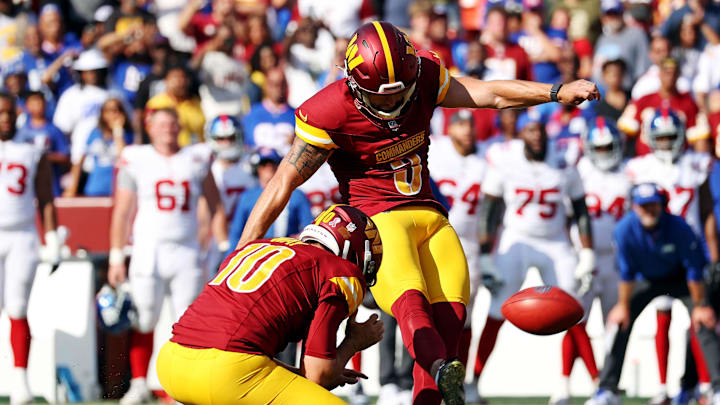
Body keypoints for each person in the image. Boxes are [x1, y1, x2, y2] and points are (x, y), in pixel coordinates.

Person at [234, 19, 600, 405]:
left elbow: (490, 94)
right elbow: (282, 183)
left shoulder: (424, 74)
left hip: (430, 214)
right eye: (382, 98)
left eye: (399, 94)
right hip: (378, 221)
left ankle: (434, 387)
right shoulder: (329, 110)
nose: (393, 104)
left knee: (452, 318)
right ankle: (440, 369)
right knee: (413, 302)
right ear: (355, 86)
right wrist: (245, 246)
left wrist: (556, 91)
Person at [156, 204, 384, 405]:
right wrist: (353, 343)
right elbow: (317, 376)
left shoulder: (258, 247)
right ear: (355, 253)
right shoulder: (339, 272)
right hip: (227, 374)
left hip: (171, 361)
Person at [469, 111, 595, 403]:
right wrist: (487, 255)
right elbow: (490, 210)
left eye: (540, 130)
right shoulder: (504, 158)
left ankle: (596, 383)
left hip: (556, 241)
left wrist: (586, 251)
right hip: (517, 239)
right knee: (497, 310)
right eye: (530, 131)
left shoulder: (564, 160)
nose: (537, 136)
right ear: (520, 133)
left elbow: (580, 209)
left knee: (574, 310)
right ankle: (475, 381)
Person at [108, 108, 228, 405]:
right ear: (149, 128)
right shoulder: (137, 158)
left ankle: (180, 388)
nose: (169, 130)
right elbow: (122, 211)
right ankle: (138, 383)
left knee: (187, 321)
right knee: (144, 318)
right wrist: (115, 255)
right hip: (148, 248)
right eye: (162, 124)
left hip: (186, 250)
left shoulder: (196, 157)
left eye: (174, 124)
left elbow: (215, 205)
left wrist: (222, 247)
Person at [586, 183, 720, 405]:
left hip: (681, 279)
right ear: (635, 207)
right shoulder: (624, 230)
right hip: (644, 280)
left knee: (704, 321)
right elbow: (626, 273)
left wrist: (700, 305)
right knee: (620, 321)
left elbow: (694, 269)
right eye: (643, 206)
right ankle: (607, 389)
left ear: (662, 206)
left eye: (653, 205)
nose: (649, 210)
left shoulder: (679, 227)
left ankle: (716, 388)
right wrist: (622, 305)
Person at [624, 108, 713, 404]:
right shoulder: (640, 167)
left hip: (690, 251)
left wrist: (712, 251)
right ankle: (662, 386)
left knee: (698, 319)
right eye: (659, 138)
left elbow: (706, 210)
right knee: (663, 317)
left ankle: (702, 384)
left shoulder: (696, 164)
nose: (664, 143)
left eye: (669, 137)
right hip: (657, 250)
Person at [550, 118, 632, 405]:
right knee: (574, 321)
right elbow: (565, 216)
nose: (605, 152)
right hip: (584, 257)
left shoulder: (628, 174)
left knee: (615, 327)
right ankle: (565, 384)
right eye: (599, 147)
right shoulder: (579, 172)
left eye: (609, 146)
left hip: (616, 260)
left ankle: (608, 384)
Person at [0, 92, 61, 405]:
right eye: (1, 113)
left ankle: (20, 381)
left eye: (10, 113)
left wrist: (51, 237)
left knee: (18, 306)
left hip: (21, 234)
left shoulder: (32, 151)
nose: (5, 119)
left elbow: (45, 197)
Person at [427, 109, 486, 401]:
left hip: (471, 245)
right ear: (450, 129)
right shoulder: (435, 150)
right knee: (429, 311)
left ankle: (459, 379)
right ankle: (429, 375)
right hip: (435, 237)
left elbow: (494, 205)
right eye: (460, 125)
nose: (467, 131)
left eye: (470, 126)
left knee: (465, 316)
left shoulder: (485, 159)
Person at [229, 147, 313, 248]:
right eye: (264, 165)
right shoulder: (247, 197)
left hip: (287, 251)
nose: (269, 168)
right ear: (257, 169)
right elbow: (236, 233)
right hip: (256, 252)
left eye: (273, 164)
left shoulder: (297, 195)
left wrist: (299, 239)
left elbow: (308, 228)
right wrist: (232, 258)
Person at [64, 98, 134, 197]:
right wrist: (71, 189)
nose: (114, 114)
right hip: (95, 188)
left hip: (119, 190)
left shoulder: (128, 135)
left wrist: (118, 131)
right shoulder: (95, 134)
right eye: (109, 111)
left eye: (117, 110)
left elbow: (124, 158)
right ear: (103, 114)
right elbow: (79, 162)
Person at [14, 91, 69, 196]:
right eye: (33, 103)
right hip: (27, 185)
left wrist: (44, 157)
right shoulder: (22, 131)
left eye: (40, 102)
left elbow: (65, 156)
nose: (37, 106)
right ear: (27, 106)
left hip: (51, 185)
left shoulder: (54, 130)